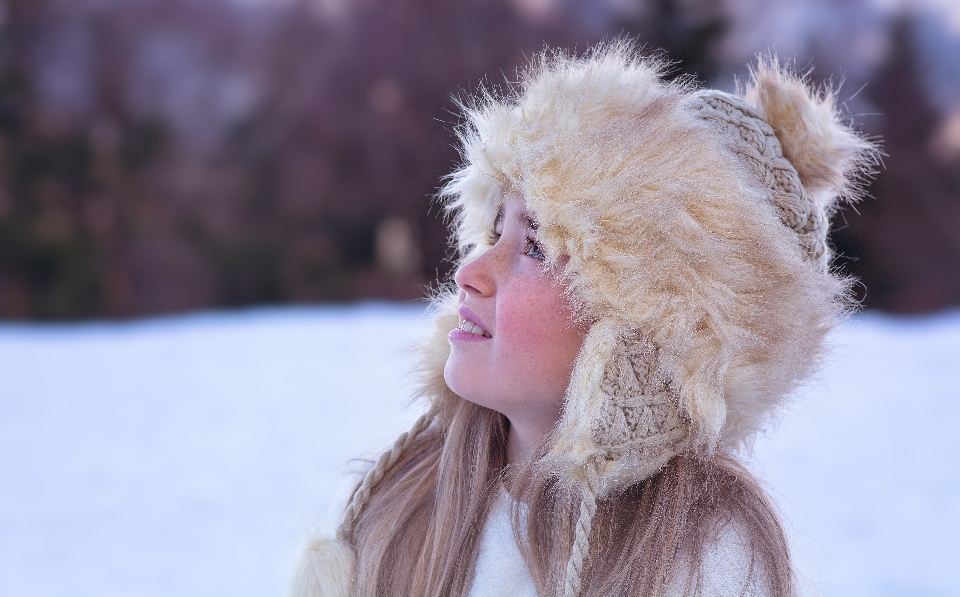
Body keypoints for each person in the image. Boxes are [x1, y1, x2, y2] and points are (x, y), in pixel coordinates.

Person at [289, 42, 878, 597]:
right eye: (496, 230)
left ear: (641, 333)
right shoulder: (401, 500)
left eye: (537, 246)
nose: (471, 271)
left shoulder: (704, 555)